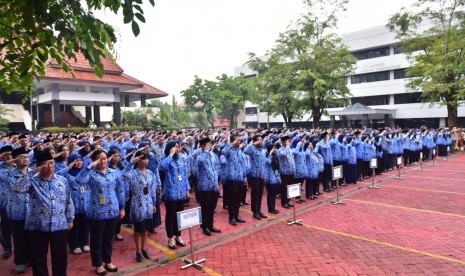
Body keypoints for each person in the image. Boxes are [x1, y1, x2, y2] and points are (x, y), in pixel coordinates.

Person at [13, 151, 75, 276]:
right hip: (37, 226)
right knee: (38, 259)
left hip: (59, 224)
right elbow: (17, 188)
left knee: (60, 257)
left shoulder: (62, 180)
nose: (50, 166)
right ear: (39, 166)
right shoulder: (32, 181)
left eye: (51, 163)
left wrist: (70, 219)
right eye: (45, 164)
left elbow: (68, 200)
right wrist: (34, 171)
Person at [76, 150, 126, 275]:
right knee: (97, 239)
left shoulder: (114, 173)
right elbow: (79, 180)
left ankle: (107, 261)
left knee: (109, 238)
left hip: (112, 210)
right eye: (99, 159)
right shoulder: (91, 174)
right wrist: (89, 166)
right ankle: (98, 264)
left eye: (104, 158)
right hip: (96, 212)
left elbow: (120, 190)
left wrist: (122, 207)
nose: (103, 161)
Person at [123, 151, 157, 262]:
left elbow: (152, 190)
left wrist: (154, 203)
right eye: (143, 159)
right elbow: (123, 174)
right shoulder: (132, 173)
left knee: (145, 228)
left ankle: (144, 248)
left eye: (147, 159)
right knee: (138, 229)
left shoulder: (150, 173)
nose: (146, 161)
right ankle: (138, 251)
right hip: (138, 204)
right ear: (138, 160)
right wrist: (131, 162)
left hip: (148, 204)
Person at [3, 148, 31, 273]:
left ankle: (31, 258)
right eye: (21, 156)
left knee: (33, 238)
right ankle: (20, 261)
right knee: (19, 239)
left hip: (33, 212)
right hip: (16, 212)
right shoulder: (8, 173)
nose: (25, 158)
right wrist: (9, 162)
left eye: (26, 156)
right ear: (15, 159)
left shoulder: (34, 172)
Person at [160, 140, 190, 249]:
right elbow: (162, 168)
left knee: (179, 215)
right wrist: (170, 155)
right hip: (170, 192)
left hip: (181, 192)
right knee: (171, 215)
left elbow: (185, 175)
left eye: (179, 146)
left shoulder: (182, 159)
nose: (178, 148)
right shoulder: (166, 159)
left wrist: (187, 189)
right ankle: (170, 238)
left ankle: (178, 235)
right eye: (175, 147)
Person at [59, 153, 90, 255]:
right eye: (76, 160)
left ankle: (84, 243)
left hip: (85, 202)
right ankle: (74, 245)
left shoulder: (86, 172)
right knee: (73, 225)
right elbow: (57, 175)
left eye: (80, 160)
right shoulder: (66, 174)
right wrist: (67, 168)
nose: (79, 162)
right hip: (72, 202)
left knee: (85, 225)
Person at [196, 137, 221, 236]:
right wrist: (206, 151)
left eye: (210, 144)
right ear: (203, 146)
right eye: (208, 144)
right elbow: (199, 164)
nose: (210, 146)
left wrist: (217, 177)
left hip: (214, 185)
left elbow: (218, 166)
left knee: (212, 207)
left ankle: (210, 225)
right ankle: (204, 226)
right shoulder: (200, 156)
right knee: (205, 207)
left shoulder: (214, 155)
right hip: (205, 186)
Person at [222, 135, 247, 226]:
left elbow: (243, 165)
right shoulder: (229, 150)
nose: (239, 142)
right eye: (237, 140)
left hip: (240, 177)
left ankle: (236, 215)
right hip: (232, 178)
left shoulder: (239, 151)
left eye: (239, 141)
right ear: (232, 141)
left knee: (238, 198)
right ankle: (231, 217)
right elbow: (223, 152)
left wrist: (245, 177)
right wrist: (231, 145)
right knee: (232, 199)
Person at [244, 135, 268, 220]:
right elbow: (245, 151)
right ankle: (255, 212)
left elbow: (264, 164)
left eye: (261, 140)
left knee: (260, 194)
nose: (261, 142)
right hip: (254, 175)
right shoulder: (252, 150)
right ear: (255, 142)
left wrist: (265, 174)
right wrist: (253, 144)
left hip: (261, 175)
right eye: (259, 141)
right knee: (255, 193)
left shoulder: (262, 151)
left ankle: (259, 209)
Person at [0, 145, 14, 259]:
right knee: (4, 227)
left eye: (10, 154)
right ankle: (7, 248)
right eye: (5, 154)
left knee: (19, 229)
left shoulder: (19, 167)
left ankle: (22, 254)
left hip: (17, 203)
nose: (8, 156)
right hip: (3, 202)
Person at [264, 142, 280, 213]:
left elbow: (276, 167)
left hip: (275, 176)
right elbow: (268, 162)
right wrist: (270, 154)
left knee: (274, 194)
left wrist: (278, 176)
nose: (275, 150)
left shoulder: (275, 156)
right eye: (273, 148)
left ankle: (273, 208)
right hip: (269, 177)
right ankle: (270, 209)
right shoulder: (267, 155)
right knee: (270, 194)